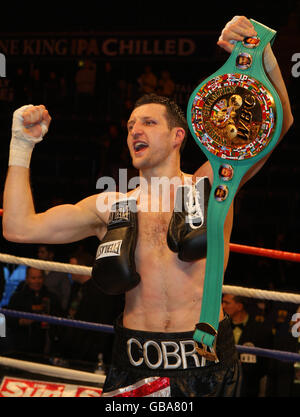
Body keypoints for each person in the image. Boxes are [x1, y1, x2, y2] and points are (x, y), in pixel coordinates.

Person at [2, 16, 293, 397]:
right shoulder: (109, 206)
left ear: (177, 136)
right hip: (134, 364)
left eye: (148, 123)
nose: (135, 130)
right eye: (130, 125)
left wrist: (261, 49)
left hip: (206, 360)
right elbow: (19, 228)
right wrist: (20, 145)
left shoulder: (216, 182)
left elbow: (280, 122)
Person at [222, 294, 273, 397]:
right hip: (223, 386)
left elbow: (264, 365)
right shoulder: (222, 327)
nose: (222, 306)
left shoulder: (260, 331)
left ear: (239, 306)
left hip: (249, 388)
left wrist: (244, 368)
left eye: (226, 302)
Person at [6, 267, 63, 356]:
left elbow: (60, 321)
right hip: (20, 347)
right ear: (27, 279)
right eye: (33, 278)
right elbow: (7, 320)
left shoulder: (52, 298)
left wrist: (51, 322)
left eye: (39, 277)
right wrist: (20, 322)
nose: (37, 281)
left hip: (45, 348)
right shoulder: (17, 297)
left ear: (43, 278)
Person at [37, 244, 71, 314]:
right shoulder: (36, 270)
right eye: (39, 252)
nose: (39, 255)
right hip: (38, 310)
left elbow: (66, 295)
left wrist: (61, 312)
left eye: (42, 252)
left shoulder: (61, 272)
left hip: (55, 311)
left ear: (51, 254)